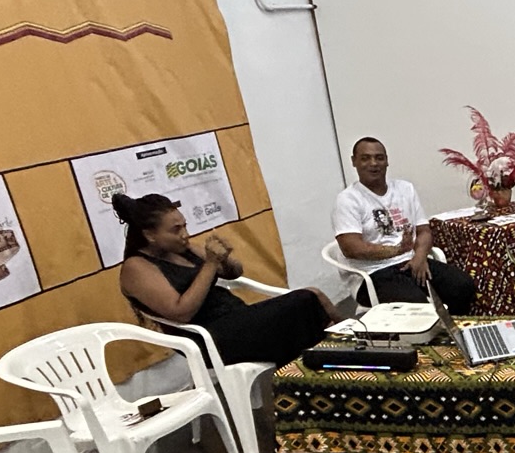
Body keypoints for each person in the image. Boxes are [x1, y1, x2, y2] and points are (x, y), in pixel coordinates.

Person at [115, 192, 337, 366]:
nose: (185, 234)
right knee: (305, 300)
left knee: (310, 301)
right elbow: (181, 312)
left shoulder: (183, 248)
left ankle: (338, 356)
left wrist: (225, 258)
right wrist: (211, 264)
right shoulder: (136, 268)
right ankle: (328, 363)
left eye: (185, 226)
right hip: (209, 339)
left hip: (236, 318)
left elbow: (234, 272)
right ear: (150, 235)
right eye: (175, 230)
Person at [333, 136, 478, 313]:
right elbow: (352, 249)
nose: (373, 163)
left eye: (379, 158)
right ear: (354, 161)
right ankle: (430, 331)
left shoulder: (405, 189)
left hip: (411, 262)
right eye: (365, 158)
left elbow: (424, 231)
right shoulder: (348, 199)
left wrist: (420, 256)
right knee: (418, 307)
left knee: (462, 286)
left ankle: (453, 328)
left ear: (387, 161)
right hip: (373, 273)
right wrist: (396, 250)